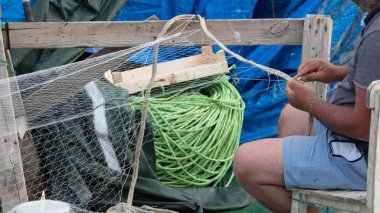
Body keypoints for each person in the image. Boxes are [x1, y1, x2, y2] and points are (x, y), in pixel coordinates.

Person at [233, 0, 380, 212]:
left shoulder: (377, 36)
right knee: (291, 115)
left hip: (368, 157)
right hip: (367, 140)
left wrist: (311, 104)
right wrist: (338, 72)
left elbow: (362, 127)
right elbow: (373, 66)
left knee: (245, 162)